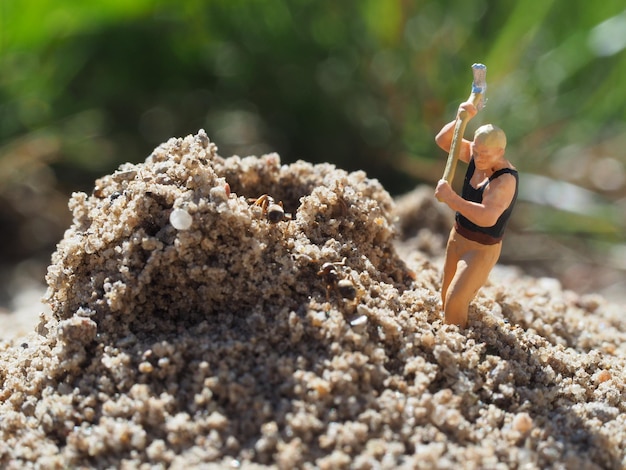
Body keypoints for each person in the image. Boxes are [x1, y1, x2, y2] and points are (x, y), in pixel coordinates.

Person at [434, 101, 519, 328]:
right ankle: (449, 338)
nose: (478, 158)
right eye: (476, 151)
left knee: (455, 300)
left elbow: (487, 217)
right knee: (445, 296)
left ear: (499, 152)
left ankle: (458, 349)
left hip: (481, 248)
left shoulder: (503, 181)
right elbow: (444, 141)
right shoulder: (476, 154)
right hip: (458, 237)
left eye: (485, 154)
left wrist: (451, 198)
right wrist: (462, 119)